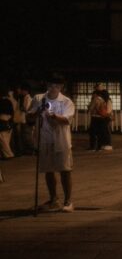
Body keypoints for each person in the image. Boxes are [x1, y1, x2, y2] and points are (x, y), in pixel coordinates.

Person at [30, 75, 75, 212]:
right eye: (51, 84)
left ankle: (68, 201)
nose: (53, 87)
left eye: (57, 85)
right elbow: (29, 115)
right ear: (47, 84)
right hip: (44, 139)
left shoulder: (66, 101)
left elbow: (67, 119)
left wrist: (53, 116)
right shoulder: (39, 98)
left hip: (61, 140)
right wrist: (38, 111)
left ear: (62, 87)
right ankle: (53, 199)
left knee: (65, 169)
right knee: (48, 170)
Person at [0, 87, 15, 159]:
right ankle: (6, 154)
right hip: (9, 122)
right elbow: (12, 112)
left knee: (4, 141)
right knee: (6, 141)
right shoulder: (9, 101)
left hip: (3, 122)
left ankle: (9, 155)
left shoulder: (2, 102)